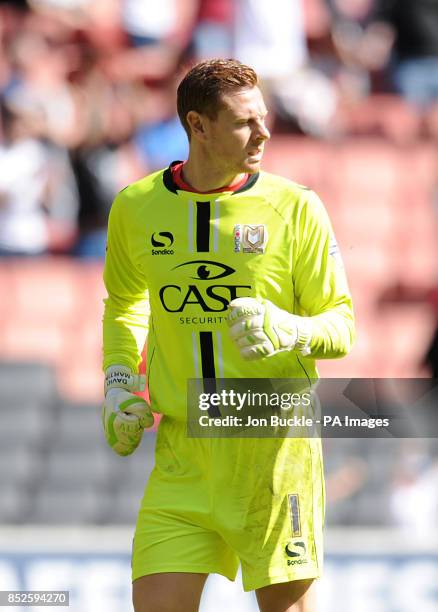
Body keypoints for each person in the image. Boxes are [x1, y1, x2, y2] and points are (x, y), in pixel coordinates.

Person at [102, 59, 355, 612]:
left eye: (263, 118)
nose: (264, 133)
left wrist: (289, 328)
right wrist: (120, 384)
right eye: (245, 122)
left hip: (271, 454)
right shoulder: (136, 206)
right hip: (182, 458)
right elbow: (126, 303)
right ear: (198, 125)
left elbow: (341, 326)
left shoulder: (296, 207)